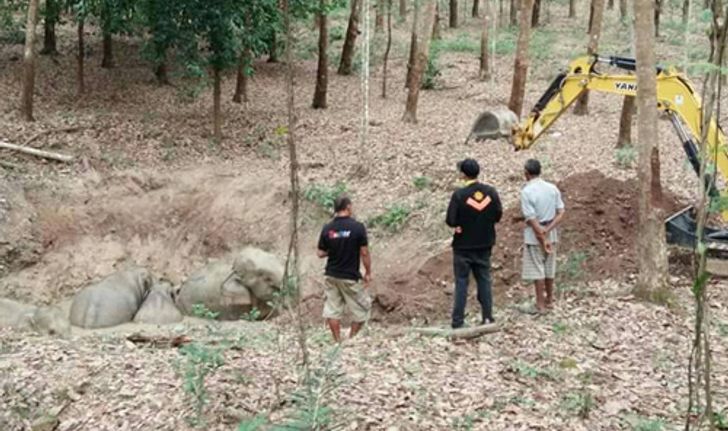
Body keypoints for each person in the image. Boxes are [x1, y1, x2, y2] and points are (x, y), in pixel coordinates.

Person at [446, 158, 503, 329]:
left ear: (463, 174)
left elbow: (450, 220)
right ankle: (487, 317)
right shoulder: (491, 192)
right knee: (484, 280)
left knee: (462, 282)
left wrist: (460, 226)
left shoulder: (459, 195)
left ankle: (458, 322)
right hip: (485, 244)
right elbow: (498, 215)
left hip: (463, 246)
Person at [317, 196, 372, 342]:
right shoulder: (358, 228)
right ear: (348, 207)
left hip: (331, 275)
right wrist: (368, 272)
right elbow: (364, 252)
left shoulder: (327, 228)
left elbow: (320, 253)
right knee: (362, 310)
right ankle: (351, 339)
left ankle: (337, 341)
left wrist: (335, 248)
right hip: (350, 277)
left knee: (332, 311)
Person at [519, 159, 566, 313]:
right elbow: (561, 212)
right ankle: (550, 299)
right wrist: (548, 229)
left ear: (526, 173)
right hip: (551, 232)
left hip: (534, 235)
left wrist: (541, 235)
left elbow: (531, 219)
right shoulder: (552, 188)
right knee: (549, 266)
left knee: (537, 268)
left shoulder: (527, 191)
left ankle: (540, 304)